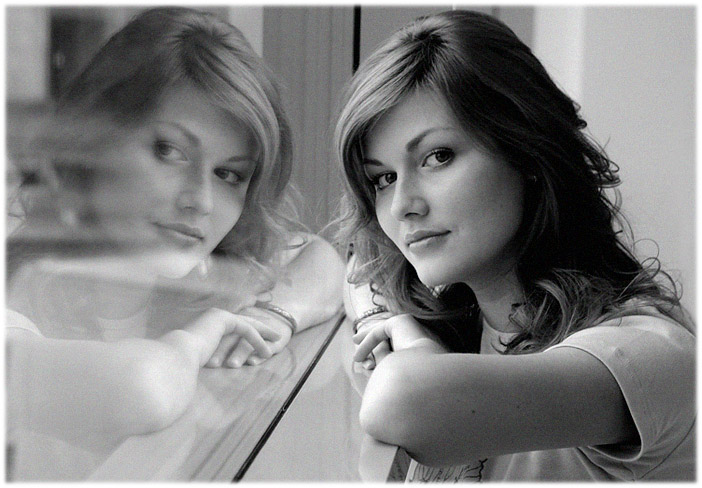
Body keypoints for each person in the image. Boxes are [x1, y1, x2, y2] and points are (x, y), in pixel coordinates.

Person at [335, 9, 694, 482]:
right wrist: (384, 320)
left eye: (437, 157)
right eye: (382, 178)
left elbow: (403, 398)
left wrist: (411, 339)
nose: (403, 205)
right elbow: (358, 264)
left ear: (525, 149)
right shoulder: (471, 325)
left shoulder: (646, 353)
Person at [6, 6, 344, 478]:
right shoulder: (15, 290)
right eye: (169, 151)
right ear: (95, 138)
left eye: (229, 174)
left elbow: (318, 257)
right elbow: (141, 389)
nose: (201, 201)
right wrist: (197, 340)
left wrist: (272, 316)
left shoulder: (202, 276)